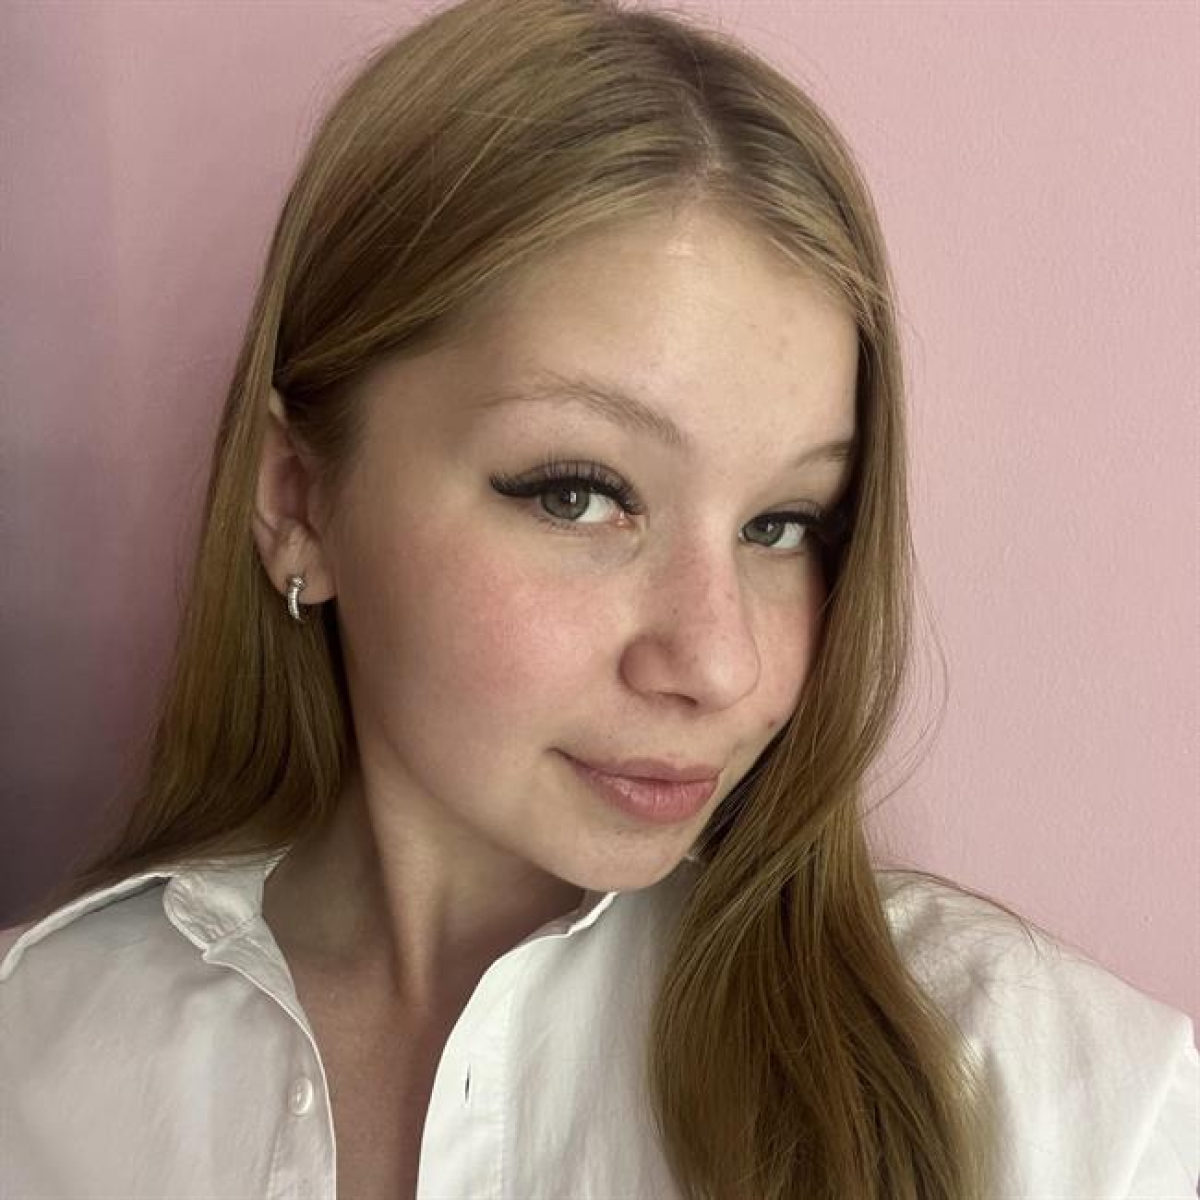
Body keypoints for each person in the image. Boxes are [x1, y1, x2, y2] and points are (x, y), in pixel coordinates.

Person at [1, 0, 1196, 1197]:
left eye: (784, 524)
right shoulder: (34, 1063)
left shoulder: (1063, 1106)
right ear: (298, 496)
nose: (719, 663)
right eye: (580, 495)